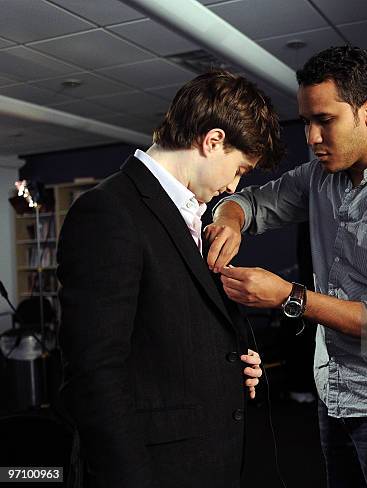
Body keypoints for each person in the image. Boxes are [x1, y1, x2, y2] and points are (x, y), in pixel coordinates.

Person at [207, 46, 367, 488]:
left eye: (325, 120)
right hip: (335, 393)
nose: (311, 137)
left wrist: (290, 297)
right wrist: (228, 220)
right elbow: (246, 202)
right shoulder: (318, 176)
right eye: (306, 121)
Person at [57, 69, 283, 488]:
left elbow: (172, 327)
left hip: (209, 456)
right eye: (239, 170)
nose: (234, 185)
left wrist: (233, 360)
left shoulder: (192, 213)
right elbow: (94, 374)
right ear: (213, 141)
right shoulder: (108, 210)